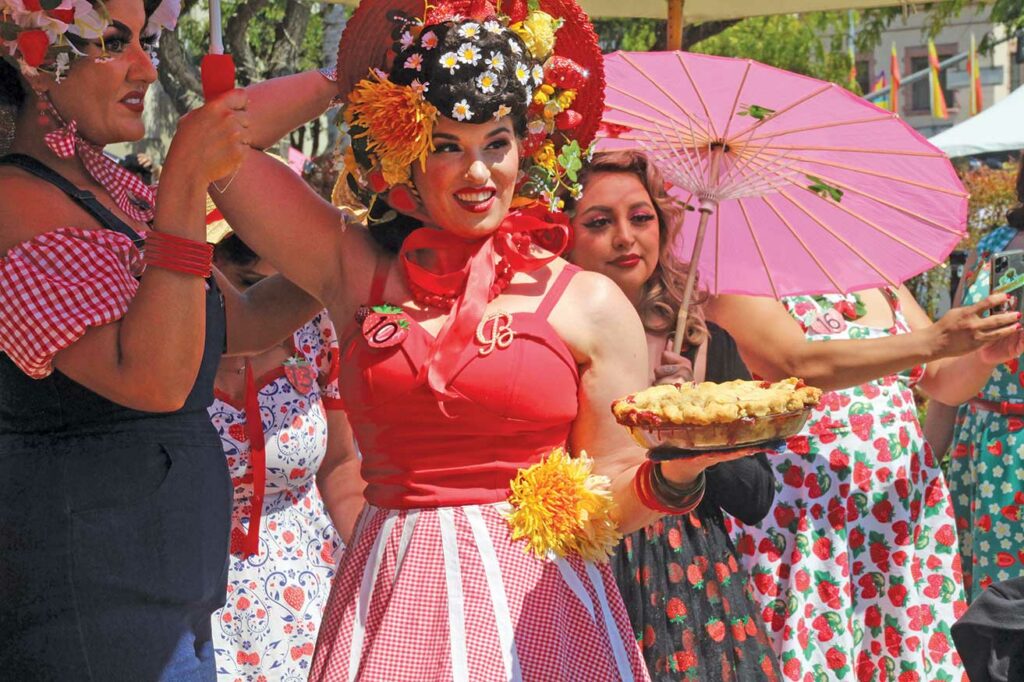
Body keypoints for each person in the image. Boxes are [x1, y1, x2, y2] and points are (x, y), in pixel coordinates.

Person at [208, 1, 763, 678]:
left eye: (495, 143)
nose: (478, 174)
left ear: (525, 147)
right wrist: (351, 80)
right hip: (392, 603)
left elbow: (609, 498)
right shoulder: (353, 267)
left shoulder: (587, 302)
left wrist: (674, 475)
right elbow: (216, 144)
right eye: (447, 146)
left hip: (542, 613)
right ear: (407, 151)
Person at [0, 1, 326, 676]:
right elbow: (152, 378)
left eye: (145, 40)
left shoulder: (105, 191)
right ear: (32, 61)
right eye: (114, 42)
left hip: (164, 597)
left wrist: (362, 259)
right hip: (86, 605)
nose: (147, 68)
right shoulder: (13, 200)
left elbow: (238, 324)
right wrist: (182, 180)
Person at [710, 267, 1024, 678]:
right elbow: (798, 363)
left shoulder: (881, 280)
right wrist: (933, 341)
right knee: (815, 652)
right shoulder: (737, 277)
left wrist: (984, 356)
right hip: (809, 519)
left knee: (901, 653)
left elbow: (945, 381)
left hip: (899, 513)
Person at [566, 150, 782, 681]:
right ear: (563, 233)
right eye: (599, 222)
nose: (625, 236)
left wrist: (691, 428)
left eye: (641, 218)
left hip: (684, 579)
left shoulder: (696, 335)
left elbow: (756, 496)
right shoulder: (546, 336)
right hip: (577, 564)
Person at [207, 227, 363, 678]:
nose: (277, 309)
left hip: (313, 593)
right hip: (193, 596)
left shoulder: (315, 331)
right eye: (252, 286)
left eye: (291, 286)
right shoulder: (159, 346)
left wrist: (374, 563)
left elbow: (339, 465)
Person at [924, 159, 1024, 601]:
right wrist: (925, 465)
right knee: (993, 613)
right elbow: (953, 349)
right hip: (985, 450)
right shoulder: (995, 247)